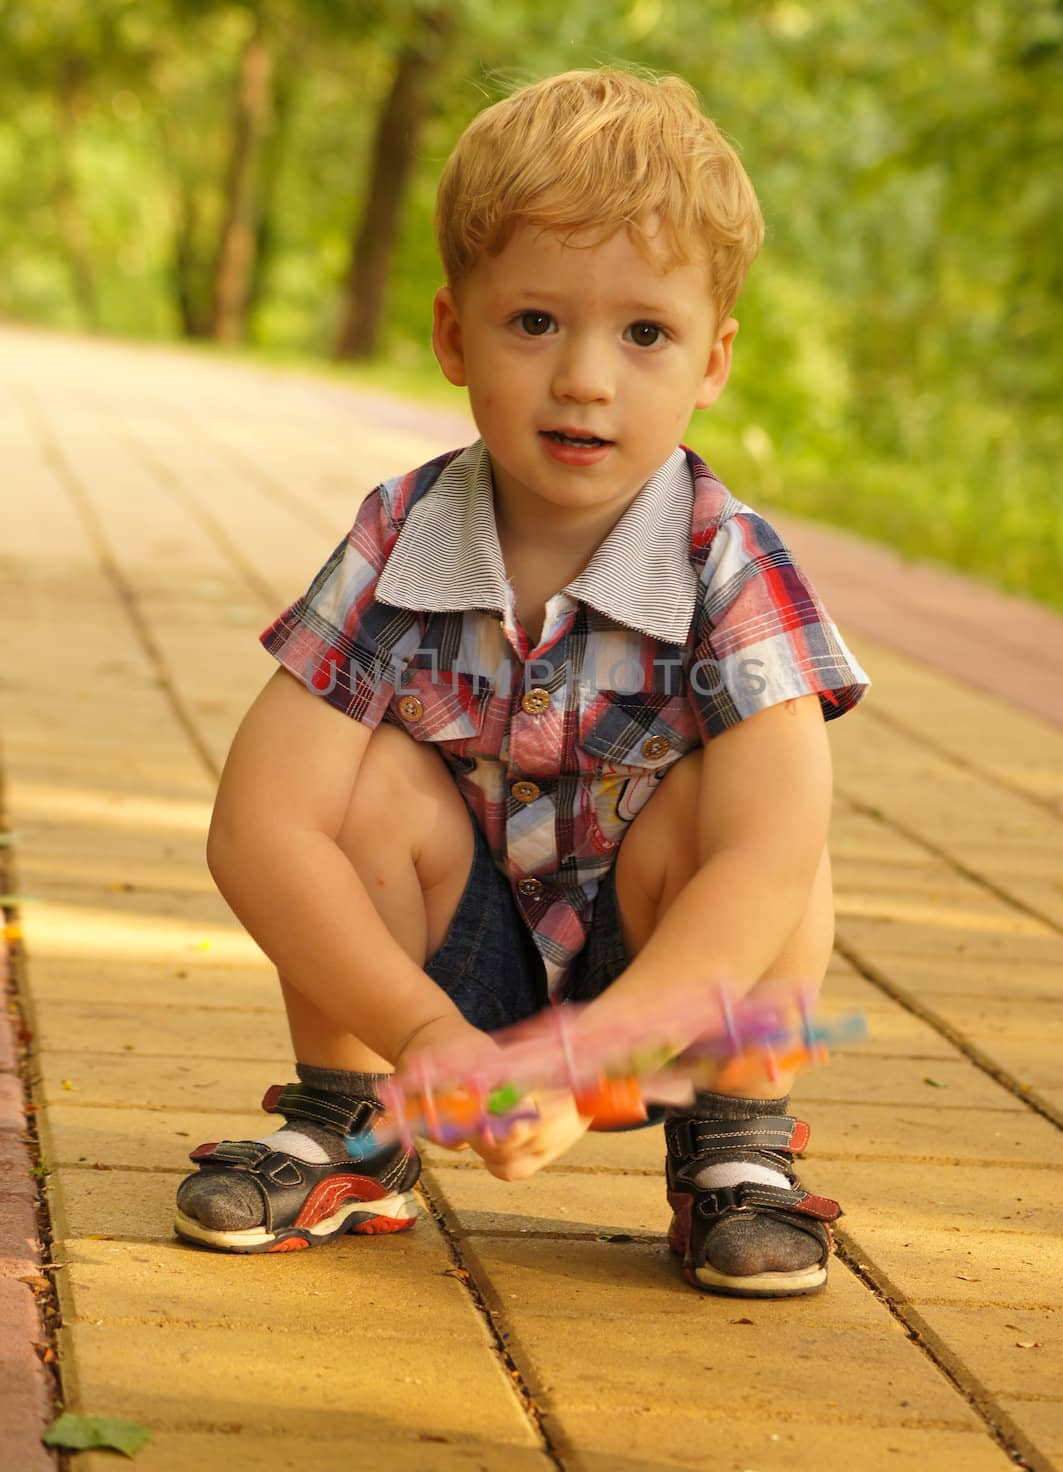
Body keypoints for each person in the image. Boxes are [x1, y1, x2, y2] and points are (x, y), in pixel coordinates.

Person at [175, 67, 870, 1297]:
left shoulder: (728, 561)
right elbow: (258, 828)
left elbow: (767, 861)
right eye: (535, 322)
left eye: (643, 333)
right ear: (455, 334)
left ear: (712, 360)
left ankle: (733, 1140)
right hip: (443, 979)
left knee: (766, 808)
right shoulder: (399, 538)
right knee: (357, 778)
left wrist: (597, 1054)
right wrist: (433, 1039)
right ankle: (351, 1112)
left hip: (659, 987)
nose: (586, 378)